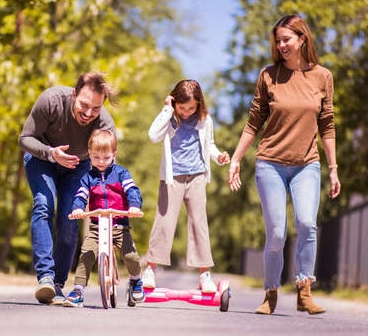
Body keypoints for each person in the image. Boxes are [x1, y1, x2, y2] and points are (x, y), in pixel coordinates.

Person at [227, 14, 341, 315]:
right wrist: (236, 158)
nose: (281, 45)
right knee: (276, 233)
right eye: (278, 41)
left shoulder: (322, 77)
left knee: (307, 223)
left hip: (307, 165)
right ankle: (271, 292)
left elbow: (327, 125)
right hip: (270, 164)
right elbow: (254, 122)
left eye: (286, 39)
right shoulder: (268, 75)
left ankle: (305, 291)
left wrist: (333, 168)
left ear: (302, 38)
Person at [19, 72, 118, 305]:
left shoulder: (104, 124)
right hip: (42, 157)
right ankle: (45, 276)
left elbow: (108, 164)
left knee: (69, 218)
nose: (88, 113)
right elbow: (25, 138)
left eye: (95, 108)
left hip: (78, 166)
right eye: (84, 105)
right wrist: (51, 153)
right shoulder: (51, 101)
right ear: (74, 94)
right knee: (44, 205)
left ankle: (57, 285)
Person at [142, 79, 230, 293]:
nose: (187, 112)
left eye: (192, 108)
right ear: (174, 102)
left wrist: (218, 157)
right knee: (164, 221)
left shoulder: (205, 120)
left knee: (199, 223)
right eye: (182, 108)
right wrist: (166, 109)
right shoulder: (169, 118)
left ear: (199, 104)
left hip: (197, 176)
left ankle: (204, 274)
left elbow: (209, 145)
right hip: (172, 178)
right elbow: (153, 136)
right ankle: (151, 269)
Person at [65, 129, 145, 308]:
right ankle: (78, 290)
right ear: (90, 155)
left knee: (130, 256)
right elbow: (80, 196)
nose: (101, 162)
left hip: (120, 226)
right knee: (86, 254)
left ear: (114, 155)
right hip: (96, 227)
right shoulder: (88, 178)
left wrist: (134, 205)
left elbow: (133, 191)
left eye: (106, 157)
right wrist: (77, 208)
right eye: (96, 157)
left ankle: (135, 280)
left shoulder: (121, 174)